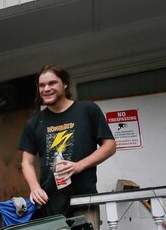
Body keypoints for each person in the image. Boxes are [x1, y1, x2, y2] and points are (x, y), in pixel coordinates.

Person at [19, 65, 117, 218]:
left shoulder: (87, 110)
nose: (46, 89)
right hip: (50, 203)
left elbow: (110, 146)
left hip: (84, 199)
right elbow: (26, 162)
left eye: (52, 83)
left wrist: (79, 166)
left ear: (65, 84)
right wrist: (34, 187)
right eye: (42, 85)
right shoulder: (34, 122)